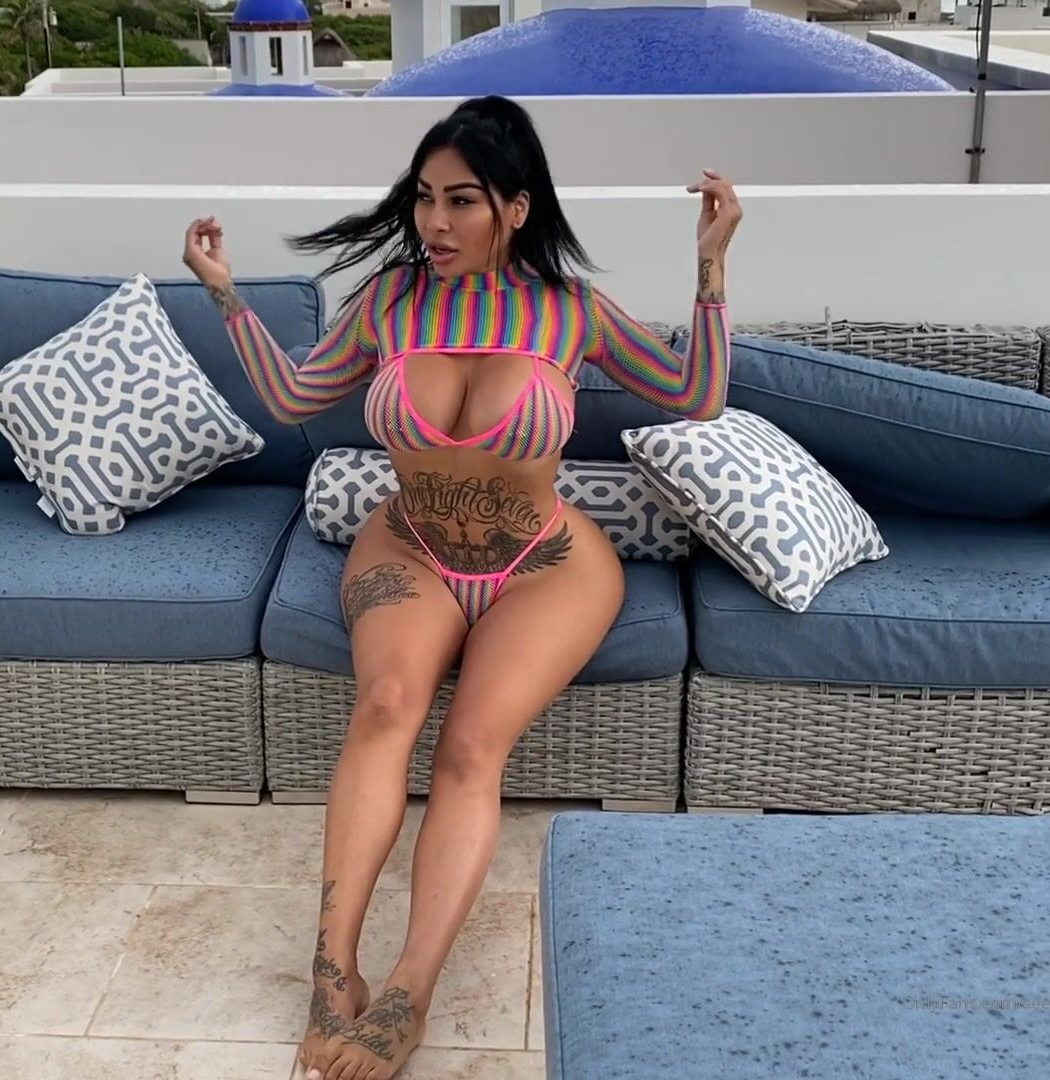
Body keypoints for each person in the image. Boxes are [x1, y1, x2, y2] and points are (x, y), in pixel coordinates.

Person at [181, 94, 741, 1080]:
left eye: (462, 201)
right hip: (410, 546)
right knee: (385, 708)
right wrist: (225, 294)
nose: (434, 223)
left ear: (515, 208)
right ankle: (331, 973)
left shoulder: (571, 310)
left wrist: (711, 262)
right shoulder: (390, 301)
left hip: (543, 565)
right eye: (425, 198)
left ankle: (410, 992)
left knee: (473, 748)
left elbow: (697, 396)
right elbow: (293, 395)